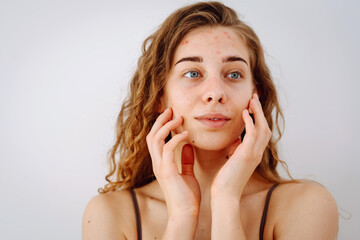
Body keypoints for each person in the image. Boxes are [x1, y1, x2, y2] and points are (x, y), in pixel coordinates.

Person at [82, 2, 338, 239]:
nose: (215, 92)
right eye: (193, 73)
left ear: (255, 94)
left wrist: (226, 200)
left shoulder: (306, 206)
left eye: (234, 74)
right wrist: (182, 216)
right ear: (159, 96)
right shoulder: (110, 215)